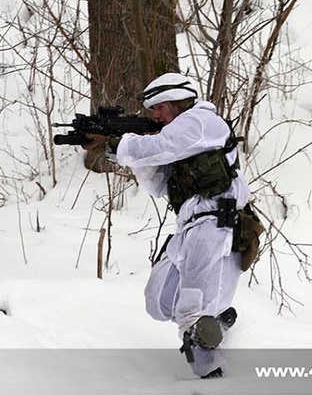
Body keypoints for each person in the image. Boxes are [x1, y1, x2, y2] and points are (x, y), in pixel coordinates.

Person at [83, 73, 250, 379]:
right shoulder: (178, 140)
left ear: (177, 101)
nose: (155, 115)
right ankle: (217, 321)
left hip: (216, 221)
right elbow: (159, 185)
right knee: (158, 301)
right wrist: (121, 152)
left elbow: (162, 146)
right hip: (189, 224)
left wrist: (119, 144)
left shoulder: (201, 122)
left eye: (159, 107)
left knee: (190, 307)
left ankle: (211, 371)